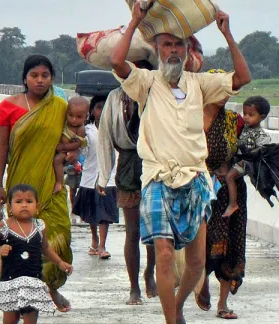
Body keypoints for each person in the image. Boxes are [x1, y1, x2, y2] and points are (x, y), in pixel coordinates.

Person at [110, 2, 251, 323]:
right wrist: (134, 20)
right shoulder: (146, 82)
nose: (173, 50)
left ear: (187, 51)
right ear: (157, 50)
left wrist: (227, 34)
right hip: (157, 179)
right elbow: (118, 61)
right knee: (162, 253)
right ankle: (171, 320)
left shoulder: (199, 84)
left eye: (178, 45)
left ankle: (176, 306)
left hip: (195, 181)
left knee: (197, 263)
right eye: (167, 45)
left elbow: (242, 77)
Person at [0, 54, 74, 313]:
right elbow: (3, 147)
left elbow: (73, 137)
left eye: (45, 76)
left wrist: (69, 149)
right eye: (34, 75)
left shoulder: (60, 106)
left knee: (60, 235)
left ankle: (50, 285)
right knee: (23, 245)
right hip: (21, 187)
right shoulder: (8, 106)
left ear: (52, 78)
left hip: (52, 185)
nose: (40, 81)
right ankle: (23, 304)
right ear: (25, 78)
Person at [97, 61, 158, 305]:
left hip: (156, 164)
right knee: (132, 231)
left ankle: (150, 272)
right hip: (128, 167)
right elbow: (105, 136)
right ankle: (134, 287)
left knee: (155, 230)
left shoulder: (158, 95)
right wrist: (103, 175)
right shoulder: (115, 97)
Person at [195, 73, 247, 320]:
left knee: (231, 247)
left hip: (230, 191)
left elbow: (248, 151)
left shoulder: (234, 120)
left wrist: (234, 168)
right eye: (220, 89)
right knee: (201, 245)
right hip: (199, 190)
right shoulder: (190, 119)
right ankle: (199, 281)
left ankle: (222, 303)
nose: (226, 95)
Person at [0, 184, 73, 324]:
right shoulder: (4, 226)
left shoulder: (39, 226)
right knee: (10, 319)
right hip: (10, 281)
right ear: (10, 206)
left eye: (29, 201)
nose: (24, 205)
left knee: (31, 318)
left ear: (36, 206)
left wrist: (60, 262)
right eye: (19, 202)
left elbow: (45, 247)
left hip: (34, 281)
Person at [72, 96, 119, 259]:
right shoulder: (87, 130)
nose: (102, 110)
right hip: (90, 176)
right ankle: (94, 239)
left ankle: (102, 245)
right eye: (99, 107)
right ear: (92, 111)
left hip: (109, 177)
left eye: (105, 107)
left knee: (104, 214)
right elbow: (81, 151)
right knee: (92, 212)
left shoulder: (114, 129)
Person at [223, 96, 271, 216]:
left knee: (229, 177)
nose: (246, 117)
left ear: (262, 117)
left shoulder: (261, 135)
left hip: (248, 162)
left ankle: (233, 204)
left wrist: (245, 157)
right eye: (244, 113)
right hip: (237, 159)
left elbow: (261, 152)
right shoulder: (243, 128)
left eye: (251, 115)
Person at [53, 97, 88, 193]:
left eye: (79, 117)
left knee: (57, 160)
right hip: (61, 147)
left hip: (68, 151)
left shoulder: (80, 128)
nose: (73, 119)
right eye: (70, 115)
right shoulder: (65, 122)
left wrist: (64, 147)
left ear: (86, 117)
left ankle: (59, 182)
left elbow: (77, 144)